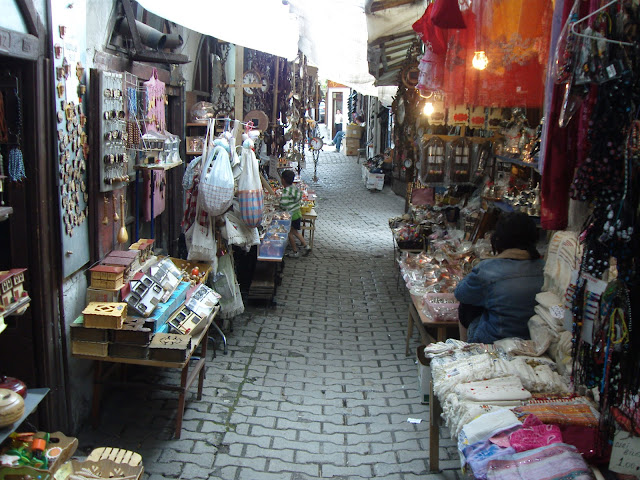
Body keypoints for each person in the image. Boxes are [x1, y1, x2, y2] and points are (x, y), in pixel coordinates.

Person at [454, 212, 544, 344]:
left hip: (496, 339)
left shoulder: (487, 269)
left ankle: (466, 349)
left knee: (467, 305)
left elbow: (460, 294)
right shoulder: (544, 268)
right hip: (534, 337)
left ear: (498, 239)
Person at [279, 170, 311, 258]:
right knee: (295, 232)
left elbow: (283, 203)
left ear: (283, 180)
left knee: (289, 233)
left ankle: (295, 251)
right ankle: (306, 246)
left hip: (291, 216)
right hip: (297, 214)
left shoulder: (286, 191)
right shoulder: (295, 188)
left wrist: (279, 205)